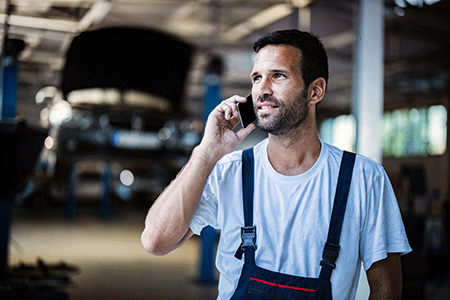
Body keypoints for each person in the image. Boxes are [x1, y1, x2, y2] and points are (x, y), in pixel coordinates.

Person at [141, 29, 411, 299]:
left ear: (315, 91)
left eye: (278, 76)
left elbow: (386, 288)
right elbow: (155, 241)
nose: (262, 89)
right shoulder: (230, 171)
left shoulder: (363, 178)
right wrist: (206, 152)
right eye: (257, 78)